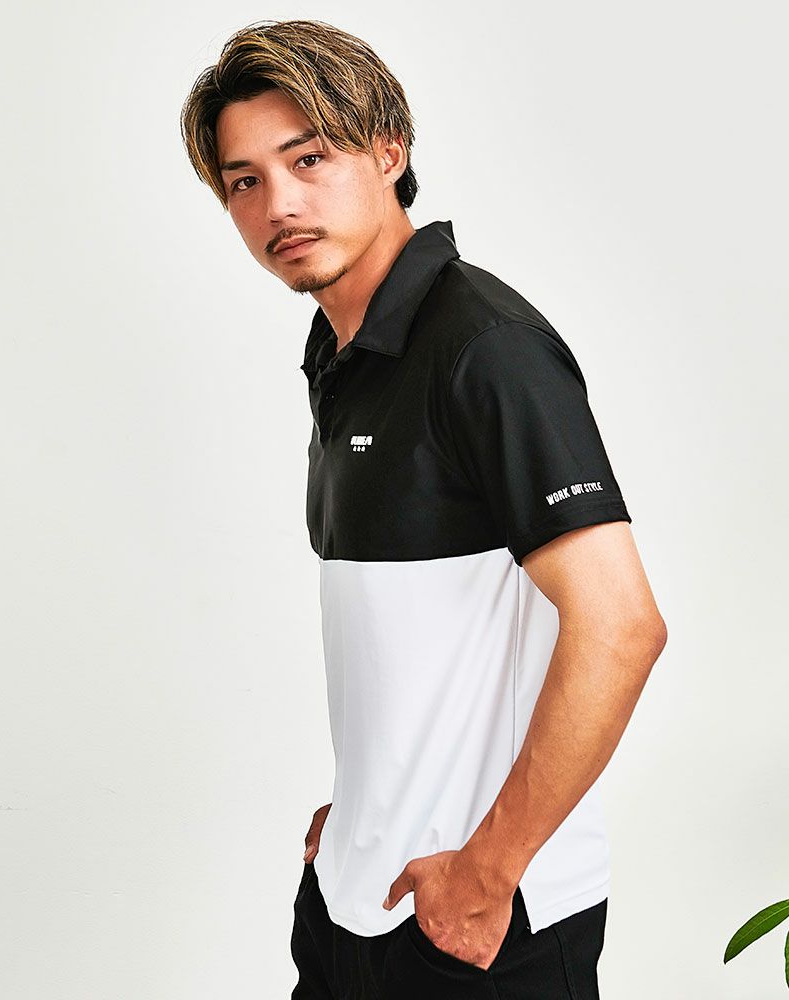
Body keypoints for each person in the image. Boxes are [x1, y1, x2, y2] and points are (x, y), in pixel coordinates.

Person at [180, 19, 667, 999]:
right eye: (244, 181)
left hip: (484, 929)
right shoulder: (343, 354)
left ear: (388, 152)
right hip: (353, 901)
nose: (279, 203)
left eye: (308, 158)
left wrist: (487, 872)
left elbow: (621, 627)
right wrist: (367, 808)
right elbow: (423, 636)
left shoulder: (484, 348)